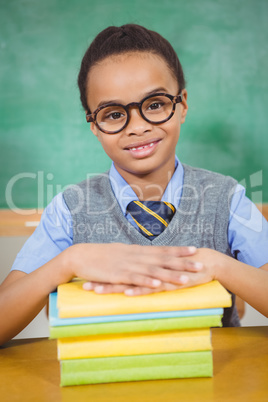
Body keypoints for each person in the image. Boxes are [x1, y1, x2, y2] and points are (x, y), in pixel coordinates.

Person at [1, 24, 267, 345]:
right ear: (93, 126)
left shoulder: (228, 198)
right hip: (103, 383)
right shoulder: (69, 208)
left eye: (155, 104)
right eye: (113, 114)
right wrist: (68, 262)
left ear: (181, 104)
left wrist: (218, 266)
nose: (138, 127)